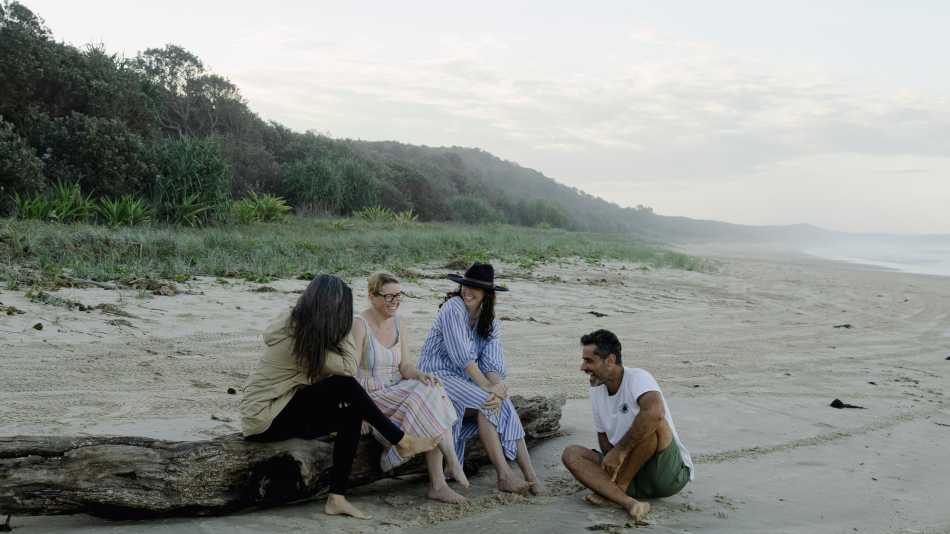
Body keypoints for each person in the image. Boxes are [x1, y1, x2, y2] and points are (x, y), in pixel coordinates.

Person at [240, 274, 438, 520]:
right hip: (264, 417)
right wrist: (346, 328)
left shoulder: (300, 324)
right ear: (329, 309)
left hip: (282, 404)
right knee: (345, 385)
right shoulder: (298, 342)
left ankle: (337, 497)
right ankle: (401, 440)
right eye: (343, 310)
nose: (346, 315)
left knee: (351, 413)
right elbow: (348, 367)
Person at [418, 262, 542, 495]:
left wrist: (498, 386)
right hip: (435, 377)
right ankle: (506, 475)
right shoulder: (453, 307)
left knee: (498, 401)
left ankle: (529, 476)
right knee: (489, 400)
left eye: (474, 287)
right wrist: (488, 388)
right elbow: (462, 358)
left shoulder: (490, 322)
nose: (467, 290)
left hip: (463, 382)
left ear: (488, 294)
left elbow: (491, 364)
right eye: (465, 285)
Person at [353, 271, 470, 504]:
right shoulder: (359, 324)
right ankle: (449, 467)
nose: (395, 301)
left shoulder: (399, 323)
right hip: (372, 395)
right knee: (426, 398)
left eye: (399, 295)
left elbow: (405, 365)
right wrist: (360, 411)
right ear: (372, 296)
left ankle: (441, 482)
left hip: (398, 388)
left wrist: (419, 374)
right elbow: (350, 373)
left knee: (432, 387)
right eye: (389, 296)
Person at [561, 329, 695, 522]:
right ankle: (627, 501)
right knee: (571, 453)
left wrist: (620, 451)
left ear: (610, 360)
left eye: (589, 361)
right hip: (630, 472)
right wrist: (612, 459)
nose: (583, 367)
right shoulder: (596, 389)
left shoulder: (637, 377)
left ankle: (618, 488)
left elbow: (655, 414)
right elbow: (604, 438)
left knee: (654, 423)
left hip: (665, 475)